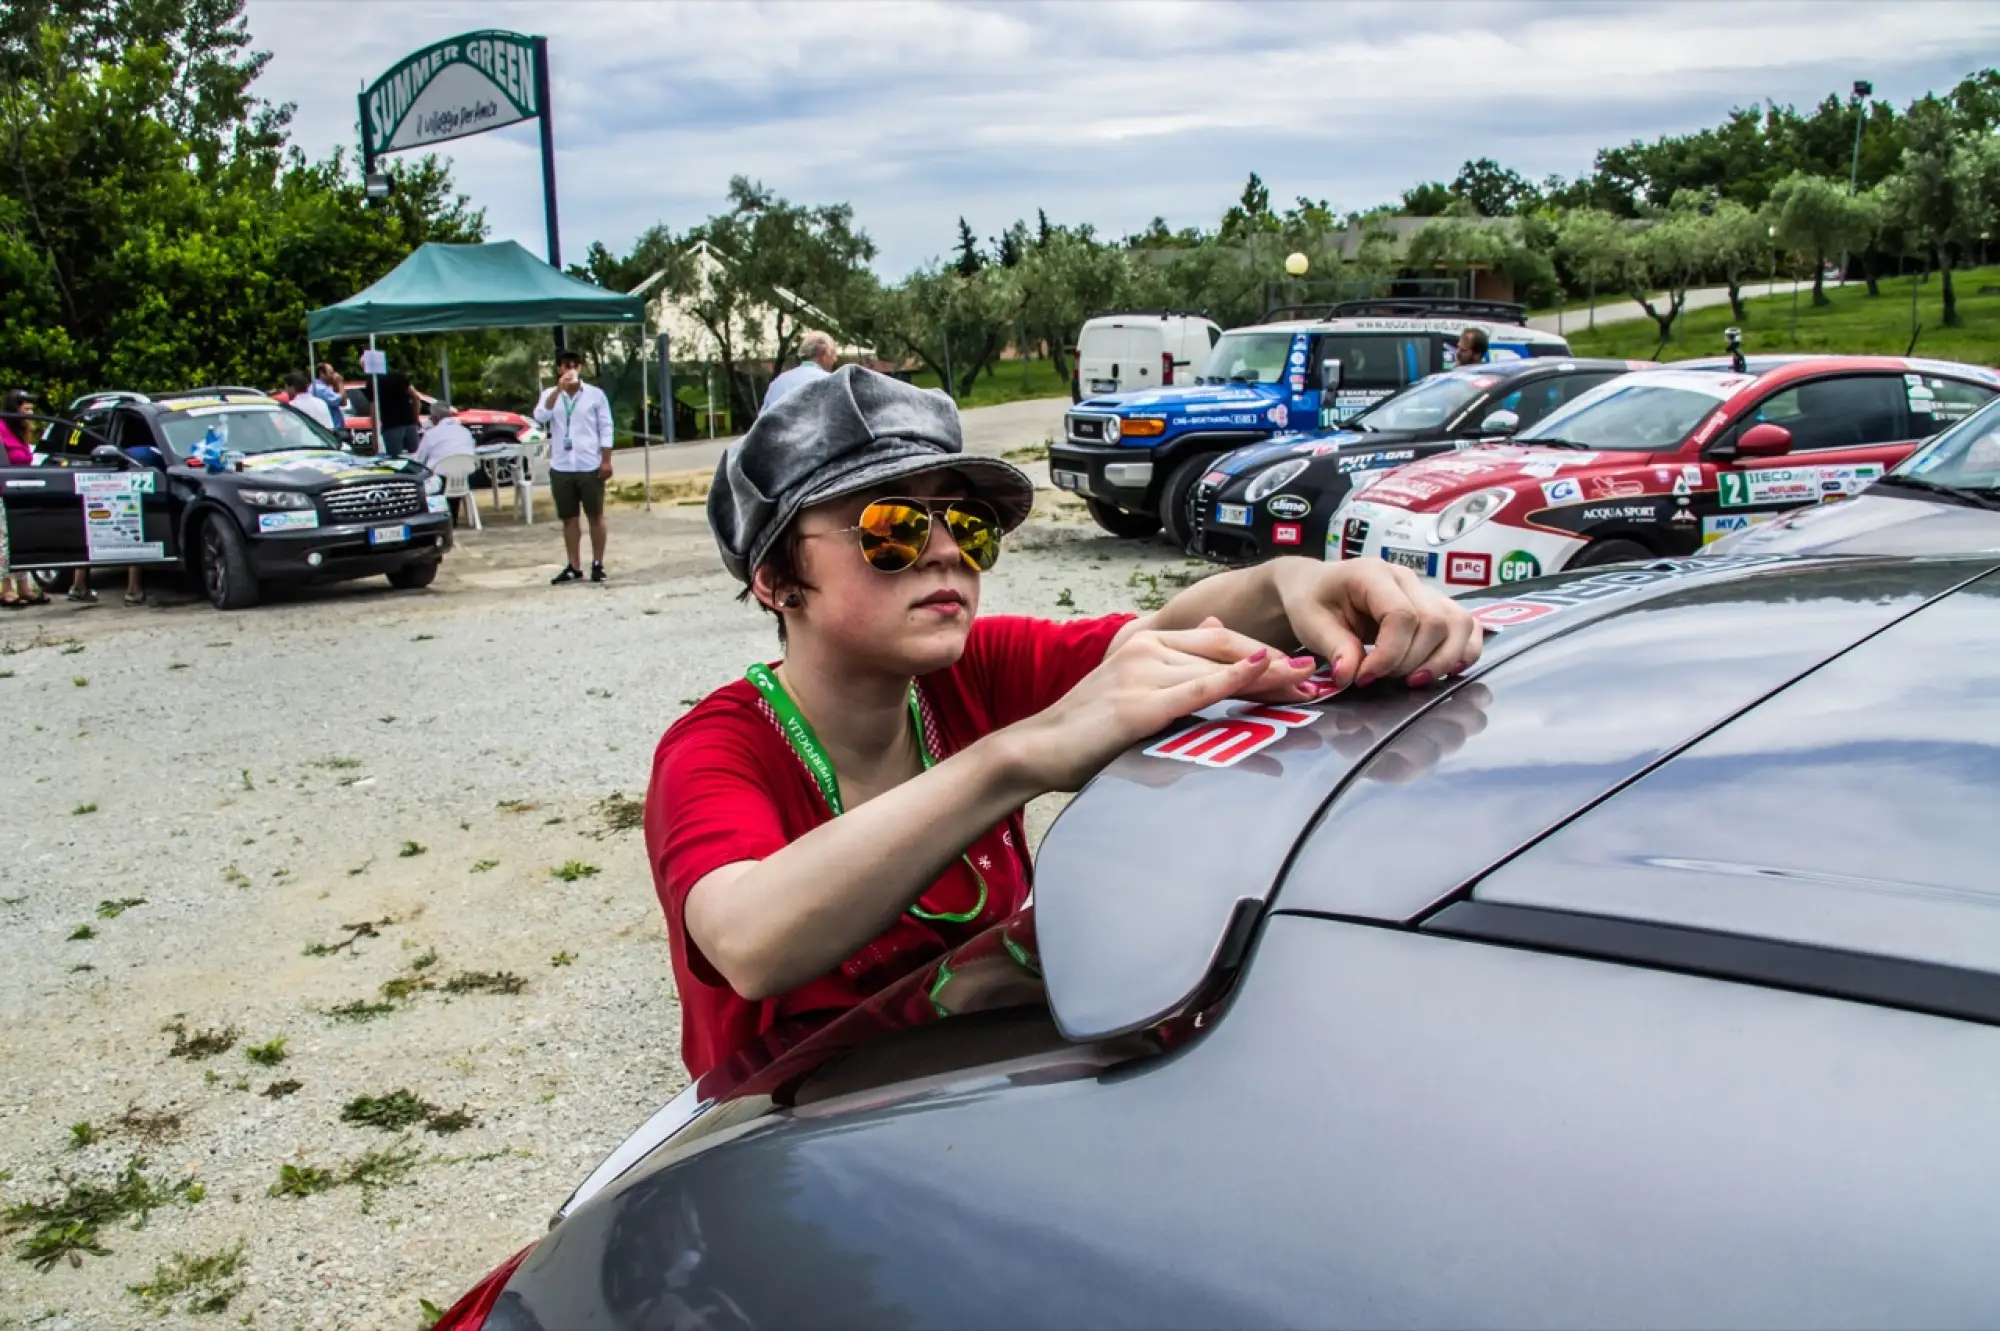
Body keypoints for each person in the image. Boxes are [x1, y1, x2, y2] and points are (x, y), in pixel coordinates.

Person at [644, 366, 1482, 1080]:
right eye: (892, 527)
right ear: (773, 577)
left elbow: (1158, 640)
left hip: (957, 1103)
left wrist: (1291, 584)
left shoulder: (973, 668)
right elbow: (748, 940)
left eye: (966, 525)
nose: (945, 552)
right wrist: (1014, 758)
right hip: (771, 1148)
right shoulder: (717, 747)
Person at [533, 348, 615, 584]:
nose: (570, 369)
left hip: (589, 463)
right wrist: (558, 391)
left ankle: (598, 563)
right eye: (565, 365)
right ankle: (573, 564)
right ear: (559, 369)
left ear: (580, 368)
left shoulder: (595, 395)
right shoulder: (551, 394)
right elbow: (540, 416)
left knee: (595, 515)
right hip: (562, 465)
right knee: (569, 518)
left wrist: (606, 459)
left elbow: (606, 427)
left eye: (574, 365)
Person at [0, 390, 47, 608]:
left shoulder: (23, 431)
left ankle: (24, 587)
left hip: (21, 491)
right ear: (14, 409)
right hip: (3, 490)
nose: (30, 413)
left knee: (21, 538)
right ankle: (5, 588)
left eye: (31, 408)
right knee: (3, 541)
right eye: (25, 409)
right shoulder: (2, 429)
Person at [414, 402, 479, 525]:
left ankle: (436, 520)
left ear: (436, 417)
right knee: (453, 475)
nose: (429, 419)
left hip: (440, 481)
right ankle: (453, 519)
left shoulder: (431, 434)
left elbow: (419, 460)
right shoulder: (465, 432)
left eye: (431, 416)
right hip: (464, 478)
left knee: (428, 479)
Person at [762, 330, 838, 411]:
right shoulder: (831, 383)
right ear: (823, 353)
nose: (835, 359)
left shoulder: (777, 383)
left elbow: (762, 420)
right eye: (833, 354)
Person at [374, 364, 421, 458]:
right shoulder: (399, 377)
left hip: (391, 425)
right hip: (409, 423)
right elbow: (416, 397)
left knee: (395, 460)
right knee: (417, 457)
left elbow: (373, 409)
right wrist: (415, 418)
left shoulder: (374, 382)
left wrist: (375, 436)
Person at [311, 363, 346, 430]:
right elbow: (342, 401)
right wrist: (340, 382)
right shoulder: (320, 389)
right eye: (331, 373)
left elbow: (341, 402)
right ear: (322, 373)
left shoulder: (319, 387)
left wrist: (335, 385)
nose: (333, 376)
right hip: (331, 430)